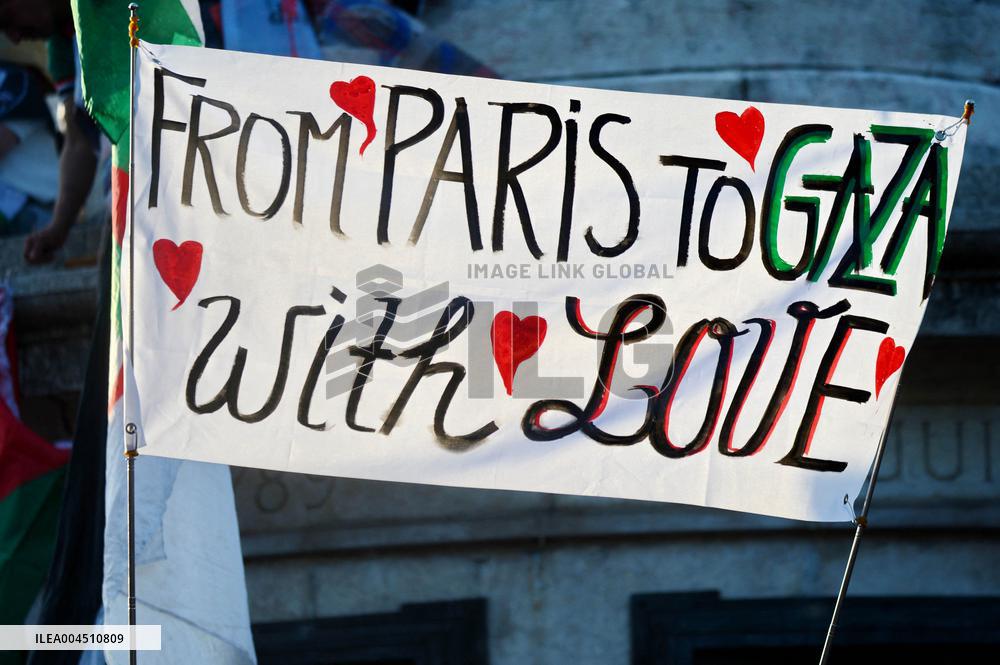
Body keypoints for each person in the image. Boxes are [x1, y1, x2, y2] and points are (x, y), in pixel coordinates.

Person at [0, 0, 99, 264]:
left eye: (8, 18)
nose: (16, 38)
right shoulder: (60, 48)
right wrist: (58, 228)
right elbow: (78, 140)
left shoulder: (107, 10)